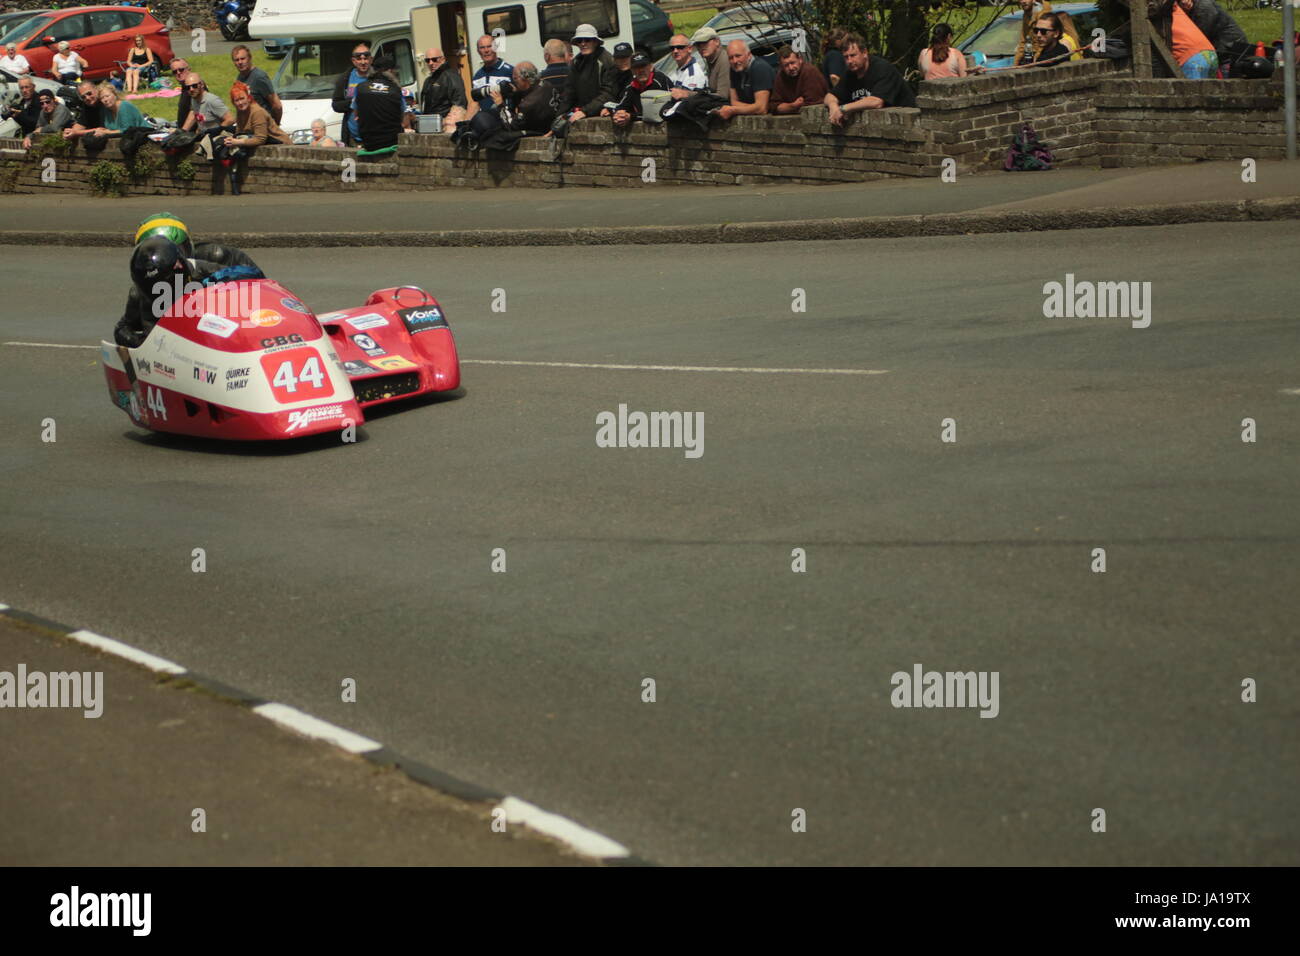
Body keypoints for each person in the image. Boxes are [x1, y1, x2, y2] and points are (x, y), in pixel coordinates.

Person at [115, 213, 264, 348]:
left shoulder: (217, 256)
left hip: (235, 325)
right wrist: (144, 345)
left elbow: (262, 287)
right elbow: (123, 328)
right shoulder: (143, 288)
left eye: (178, 251)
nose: (173, 264)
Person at [824, 33, 916, 126]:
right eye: (846, 57)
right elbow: (829, 96)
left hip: (907, 124)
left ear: (864, 53)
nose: (849, 61)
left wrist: (844, 108)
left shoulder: (882, 68)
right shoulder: (849, 73)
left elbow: (876, 102)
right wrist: (833, 107)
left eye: (853, 55)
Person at [354, 53, 409, 154]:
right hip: (392, 142)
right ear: (389, 71)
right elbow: (404, 118)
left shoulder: (360, 88)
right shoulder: (396, 90)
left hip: (368, 143)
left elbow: (356, 114)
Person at [492, 60, 562, 134]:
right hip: (553, 125)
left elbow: (512, 126)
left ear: (525, 78)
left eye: (515, 78)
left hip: (539, 133)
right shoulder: (547, 84)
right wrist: (515, 93)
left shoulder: (527, 105)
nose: (514, 81)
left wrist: (500, 105)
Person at [565, 23, 615, 121]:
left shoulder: (607, 60)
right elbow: (569, 93)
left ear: (595, 42)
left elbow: (608, 93)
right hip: (581, 113)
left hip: (600, 113)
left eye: (587, 40)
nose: (583, 44)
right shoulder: (575, 62)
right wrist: (560, 116)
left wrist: (585, 111)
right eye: (579, 41)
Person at [610, 51, 671, 127]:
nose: (641, 70)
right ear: (632, 71)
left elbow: (658, 113)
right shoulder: (631, 86)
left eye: (643, 66)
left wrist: (631, 116)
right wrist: (619, 115)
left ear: (651, 67)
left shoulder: (659, 80)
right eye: (636, 67)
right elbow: (621, 106)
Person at [717, 40, 773, 120]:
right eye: (731, 58)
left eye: (738, 56)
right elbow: (734, 102)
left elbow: (761, 109)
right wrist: (753, 108)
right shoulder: (734, 69)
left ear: (749, 55)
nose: (735, 61)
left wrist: (733, 110)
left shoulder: (760, 68)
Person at [180, 73, 234, 156]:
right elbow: (196, 115)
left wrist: (216, 131)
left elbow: (230, 119)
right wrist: (182, 132)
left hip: (216, 141)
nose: (191, 89)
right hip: (203, 138)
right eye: (187, 87)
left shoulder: (212, 101)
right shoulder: (194, 99)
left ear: (201, 84)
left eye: (194, 86)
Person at [331, 41, 372, 146]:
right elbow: (336, 105)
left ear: (371, 59)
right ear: (354, 61)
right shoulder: (345, 79)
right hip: (352, 137)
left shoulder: (378, 78)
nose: (363, 62)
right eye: (359, 59)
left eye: (366, 58)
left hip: (374, 135)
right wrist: (353, 102)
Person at [768, 45, 828, 114]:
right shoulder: (781, 76)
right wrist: (793, 106)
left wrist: (786, 107)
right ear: (781, 66)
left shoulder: (809, 72)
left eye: (793, 63)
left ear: (800, 60)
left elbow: (813, 104)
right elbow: (774, 106)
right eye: (786, 65)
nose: (791, 68)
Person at [231, 44, 282, 123]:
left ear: (249, 58)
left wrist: (275, 125)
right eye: (237, 60)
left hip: (262, 125)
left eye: (243, 58)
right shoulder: (240, 78)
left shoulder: (259, 77)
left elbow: (277, 105)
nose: (240, 62)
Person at [419, 47, 466, 131]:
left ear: (443, 59)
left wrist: (446, 123)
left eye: (434, 59)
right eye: (427, 60)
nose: (431, 63)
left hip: (446, 127)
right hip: (430, 127)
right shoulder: (428, 81)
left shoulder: (451, 76)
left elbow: (459, 105)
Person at [1168, 1, 1218, 78]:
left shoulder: (1161, 13)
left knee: (1191, 90)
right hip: (1209, 54)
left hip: (1191, 59)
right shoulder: (1175, 9)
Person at [468, 34, 513, 118]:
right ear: (478, 51)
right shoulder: (477, 76)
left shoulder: (509, 71)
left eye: (489, 46)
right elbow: (475, 103)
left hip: (506, 120)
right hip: (485, 121)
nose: (486, 50)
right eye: (482, 47)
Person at [62, 81, 107, 154]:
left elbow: (103, 129)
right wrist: (69, 132)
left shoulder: (104, 102)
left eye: (89, 93)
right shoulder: (86, 105)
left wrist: (76, 133)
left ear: (96, 90)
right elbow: (81, 124)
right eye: (83, 97)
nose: (87, 98)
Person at [663, 34, 707, 100]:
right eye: (672, 48)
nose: (675, 51)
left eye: (680, 47)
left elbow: (689, 101)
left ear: (689, 49)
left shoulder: (693, 73)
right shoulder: (678, 69)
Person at [691, 27, 730, 98]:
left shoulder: (725, 60)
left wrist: (689, 94)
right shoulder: (710, 60)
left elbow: (722, 96)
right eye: (698, 44)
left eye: (705, 42)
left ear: (717, 42)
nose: (701, 47)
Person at [1013, 0, 1054, 65]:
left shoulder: (1043, 14)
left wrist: (1036, 57)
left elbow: (1045, 39)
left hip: (1046, 56)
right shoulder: (1027, 14)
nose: (1023, 1)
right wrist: (1015, 64)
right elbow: (1023, 40)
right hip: (1032, 57)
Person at [167, 58, 192, 127]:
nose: (178, 73)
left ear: (189, 69)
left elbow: (195, 111)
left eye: (181, 70)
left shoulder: (193, 86)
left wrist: (183, 131)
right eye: (174, 72)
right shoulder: (185, 86)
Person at [608, 41, 634, 105]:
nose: (623, 61)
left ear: (632, 57)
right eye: (619, 58)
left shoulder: (637, 74)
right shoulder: (612, 75)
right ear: (614, 60)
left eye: (626, 57)